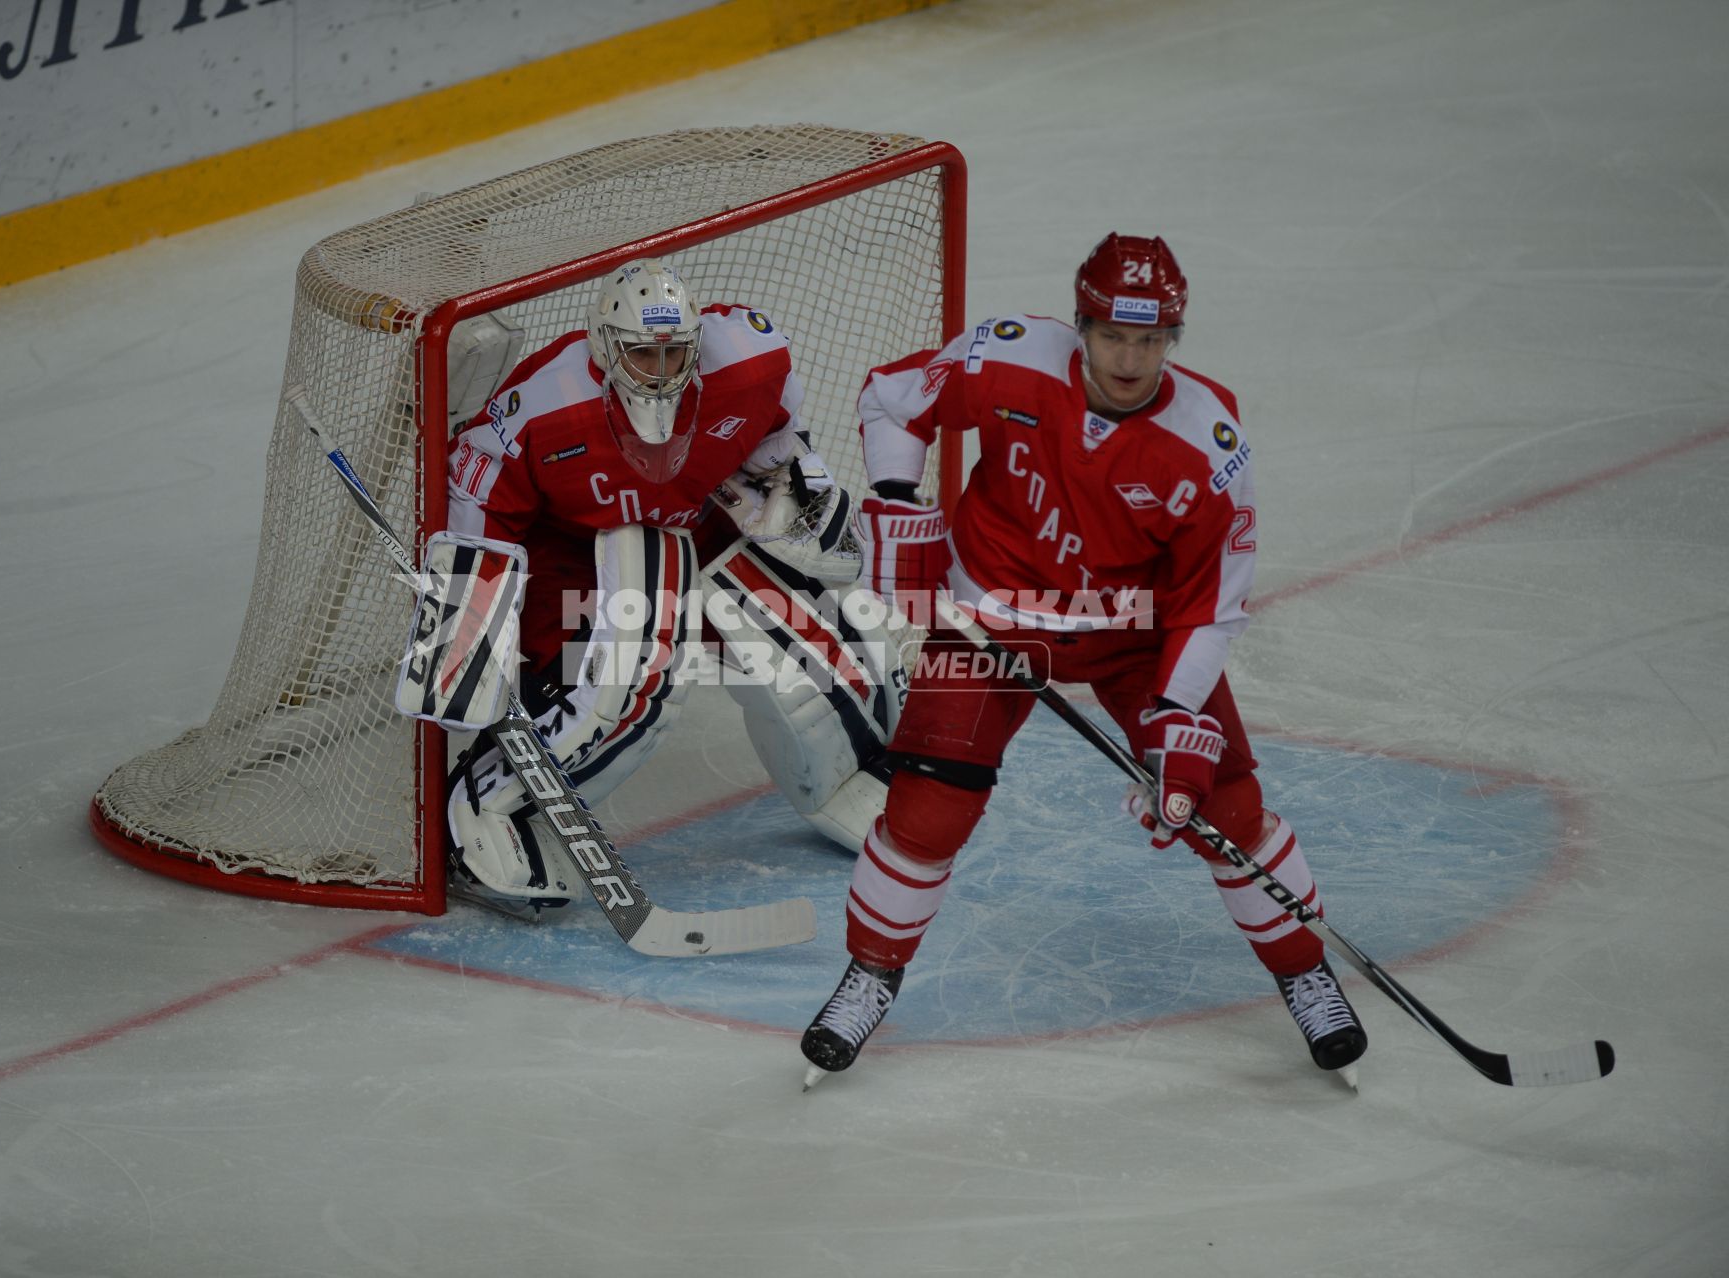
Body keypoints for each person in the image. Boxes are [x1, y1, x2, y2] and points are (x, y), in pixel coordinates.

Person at [800, 233, 1368, 1082]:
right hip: (992, 613)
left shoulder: (1209, 446)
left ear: (1173, 337)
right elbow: (891, 401)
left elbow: (1211, 605)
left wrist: (1177, 717)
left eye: (1152, 340)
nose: (1132, 359)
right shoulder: (1011, 358)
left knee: (1227, 809)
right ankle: (869, 975)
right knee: (927, 810)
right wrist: (890, 499)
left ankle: (1306, 974)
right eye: (1113, 337)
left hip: (1134, 633)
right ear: (1082, 325)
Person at [437, 259, 906, 915]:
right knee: (621, 689)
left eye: (675, 352)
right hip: (572, 557)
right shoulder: (546, 402)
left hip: (700, 529)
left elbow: (777, 426)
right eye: (641, 355)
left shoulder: (746, 360)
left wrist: (789, 480)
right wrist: (474, 625)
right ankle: (484, 810)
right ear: (605, 347)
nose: (661, 371)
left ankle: (846, 777)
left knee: (842, 656)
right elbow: (476, 498)